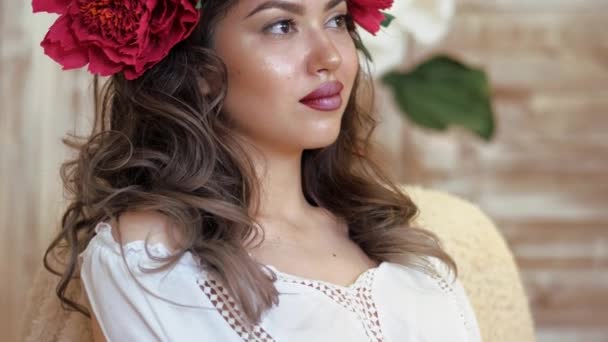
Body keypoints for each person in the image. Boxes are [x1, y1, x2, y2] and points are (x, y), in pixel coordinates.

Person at [34, 0, 482, 341]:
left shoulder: (401, 244)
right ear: (198, 68)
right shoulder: (149, 257)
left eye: (336, 19)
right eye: (281, 26)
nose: (329, 56)